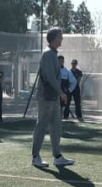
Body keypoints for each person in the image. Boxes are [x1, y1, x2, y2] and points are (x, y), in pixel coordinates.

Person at [31, 28, 74, 168]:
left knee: (56, 126)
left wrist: (59, 93)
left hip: (53, 97)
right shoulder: (48, 54)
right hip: (46, 97)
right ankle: (35, 156)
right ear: (54, 38)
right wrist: (61, 92)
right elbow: (49, 76)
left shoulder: (53, 54)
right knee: (42, 125)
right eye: (60, 37)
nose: (61, 39)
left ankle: (57, 156)